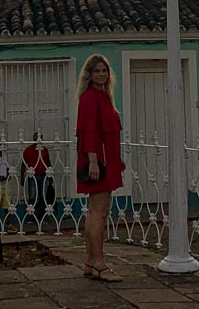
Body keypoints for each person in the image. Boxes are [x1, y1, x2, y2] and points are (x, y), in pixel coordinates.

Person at [76, 54, 124, 283]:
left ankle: (90, 261)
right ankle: (99, 262)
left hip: (107, 160)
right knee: (99, 211)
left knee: (96, 210)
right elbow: (89, 130)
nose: (101, 74)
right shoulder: (89, 98)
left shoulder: (104, 97)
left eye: (104, 70)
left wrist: (118, 160)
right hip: (98, 162)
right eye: (97, 71)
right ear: (89, 74)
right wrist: (93, 161)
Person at [21, 132, 54, 228]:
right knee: (32, 196)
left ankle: (41, 217)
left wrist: (50, 176)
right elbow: (23, 164)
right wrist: (22, 177)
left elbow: (48, 163)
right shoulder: (28, 150)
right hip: (32, 176)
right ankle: (31, 217)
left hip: (43, 175)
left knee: (42, 196)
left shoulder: (45, 150)